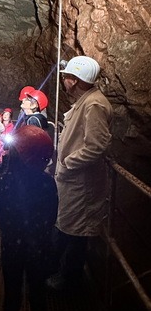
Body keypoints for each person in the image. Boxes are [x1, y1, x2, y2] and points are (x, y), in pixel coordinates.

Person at [49, 55, 113, 291]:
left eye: (67, 77)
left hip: (81, 183)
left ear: (74, 81)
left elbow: (96, 146)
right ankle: (61, 271)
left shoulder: (94, 105)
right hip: (73, 181)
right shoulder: (86, 100)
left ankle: (69, 280)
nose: (64, 81)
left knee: (76, 232)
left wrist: (67, 162)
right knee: (68, 226)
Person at [0, 125, 58, 311]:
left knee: (12, 295)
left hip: (11, 247)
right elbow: (52, 217)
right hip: (39, 249)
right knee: (38, 296)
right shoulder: (47, 183)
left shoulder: (4, 180)